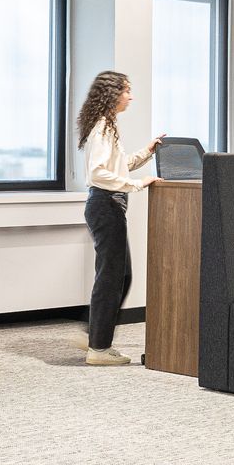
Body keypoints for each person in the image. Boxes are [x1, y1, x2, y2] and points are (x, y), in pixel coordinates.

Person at [76, 70, 161, 366]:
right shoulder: (103, 126)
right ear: (112, 93)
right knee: (112, 277)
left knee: (120, 276)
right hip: (105, 205)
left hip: (109, 205)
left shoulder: (107, 126)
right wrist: (137, 185)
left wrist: (146, 152)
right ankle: (99, 348)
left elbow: (117, 165)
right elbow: (99, 173)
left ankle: (96, 336)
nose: (130, 97)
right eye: (126, 91)